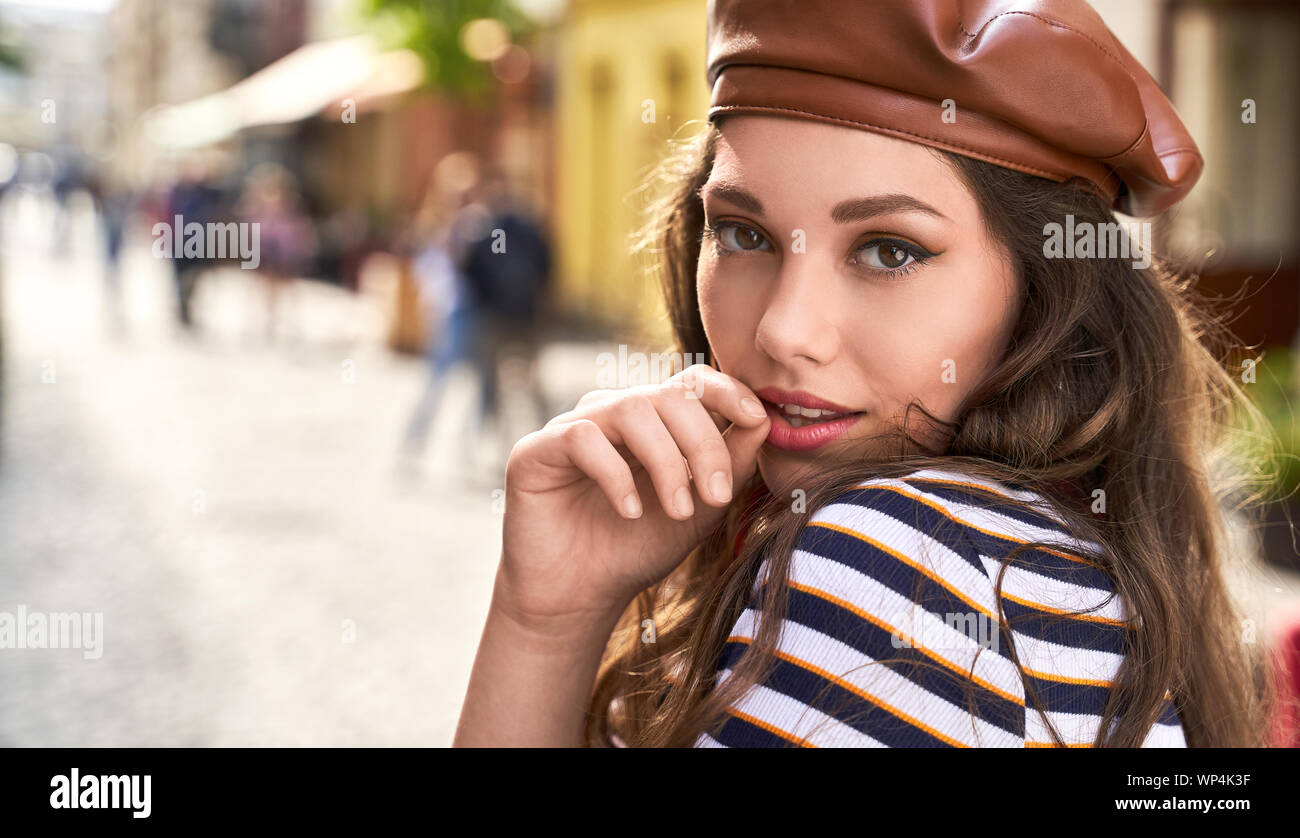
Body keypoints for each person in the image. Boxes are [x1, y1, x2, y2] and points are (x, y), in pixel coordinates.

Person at [454, 0, 1277, 747]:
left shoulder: (900, 560)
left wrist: (541, 634)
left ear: (1043, 294)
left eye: (890, 251)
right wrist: (550, 614)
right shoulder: (1066, 569)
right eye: (744, 235)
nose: (784, 330)